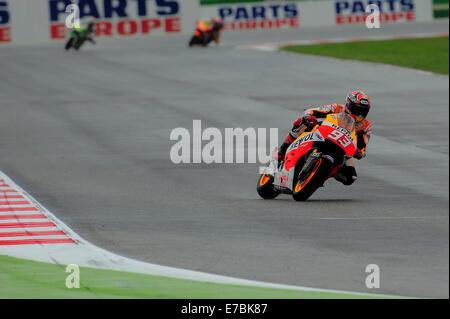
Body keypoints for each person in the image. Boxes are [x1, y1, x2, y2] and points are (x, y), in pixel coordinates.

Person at [275, 90, 372, 186]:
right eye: (357, 109)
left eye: (363, 111)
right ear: (348, 105)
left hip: (342, 146)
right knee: (302, 122)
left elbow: (363, 145)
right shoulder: (336, 108)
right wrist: (309, 116)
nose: (359, 114)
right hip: (323, 132)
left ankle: (320, 176)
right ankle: (282, 150)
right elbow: (312, 111)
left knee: (350, 177)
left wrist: (360, 152)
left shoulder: (365, 125)